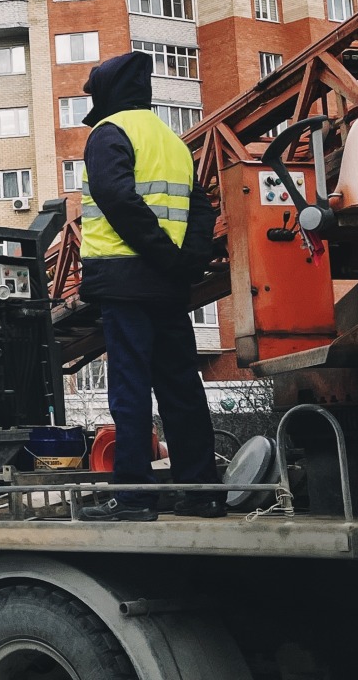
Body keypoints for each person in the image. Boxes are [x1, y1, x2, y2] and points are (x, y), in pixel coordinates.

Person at [75, 52, 224, 522]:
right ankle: (202, 493)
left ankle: (134, 496)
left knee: (130, 389)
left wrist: (163, 256)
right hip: (168, 287)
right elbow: (202, 209)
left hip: (126, 283)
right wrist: (187, 264)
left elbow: (115, 196)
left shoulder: (108, 133)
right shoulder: (173, 143)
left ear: (107, 93)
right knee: (181, 387)